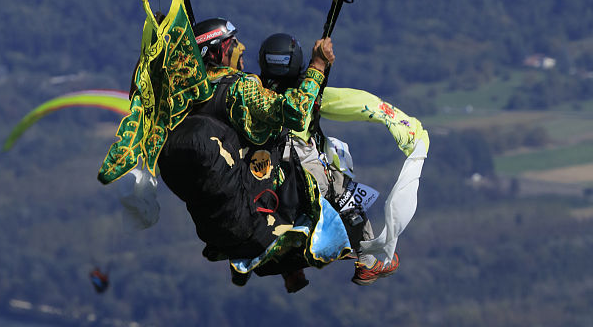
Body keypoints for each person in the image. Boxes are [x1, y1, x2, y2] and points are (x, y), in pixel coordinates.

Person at [157, 19, 350, 292]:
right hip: (261, 205)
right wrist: (318, 66)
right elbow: (296, 112)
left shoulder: (182, 97)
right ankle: (357, 249)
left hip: (217, 225)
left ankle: (288, 270)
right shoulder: (240, 88)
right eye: (233, 43)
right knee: (313, 167)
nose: (241, 47)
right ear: (216, 52)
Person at [258, 32, 429, 286]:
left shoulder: (254, 93)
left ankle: (291, 270)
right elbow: (352, 102)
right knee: (346, 195)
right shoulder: (305, 95)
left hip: (265, 174)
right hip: (300, 165)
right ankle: (369, 262)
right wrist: (397, 121)